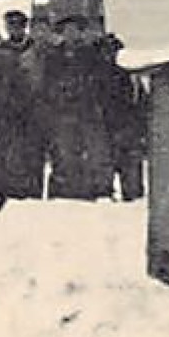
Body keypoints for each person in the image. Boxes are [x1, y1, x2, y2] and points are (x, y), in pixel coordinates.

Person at [42, 15, 115, 200]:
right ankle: (68, 190)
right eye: (67, 30)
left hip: (88, 111)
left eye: (74, 30)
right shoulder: (53, 56)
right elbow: (47, 84)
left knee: (95, 151)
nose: (71, 33)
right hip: (63, 112)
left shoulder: (91, 54)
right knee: (66, 153)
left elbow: (102, 81)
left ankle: (97, 189)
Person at [0, 10, 47, 200]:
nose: (14, 29)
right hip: (8, 111)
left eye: (18, 25)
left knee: (34, 153)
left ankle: (34, 192)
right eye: (11, 26)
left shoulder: (38, 50)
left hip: (34, 109)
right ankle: (14, 192)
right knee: (11, 154)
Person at [98, 34, 145, 201]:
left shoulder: (130, 75)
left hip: (126, 129)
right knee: (107, 172)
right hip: (108, 128)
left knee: (130, 172)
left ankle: (130, 196)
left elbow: (140, 102)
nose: (110, 55)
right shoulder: (99, 76)